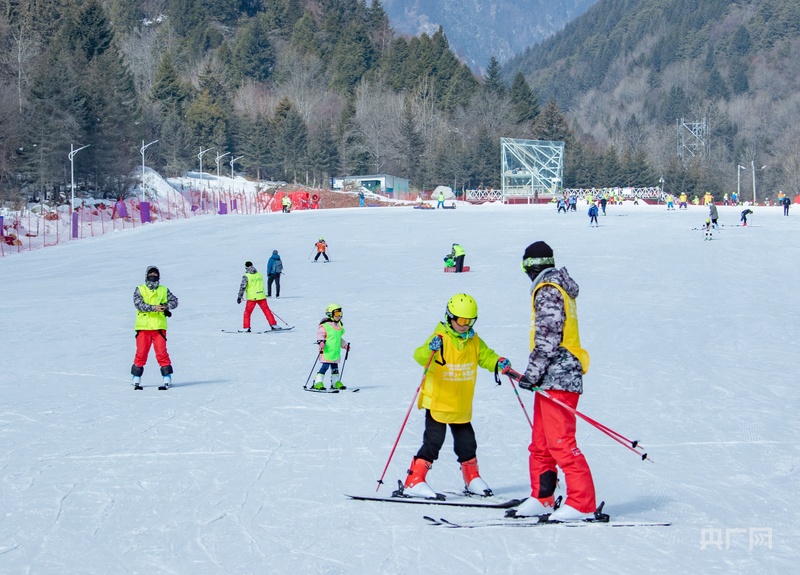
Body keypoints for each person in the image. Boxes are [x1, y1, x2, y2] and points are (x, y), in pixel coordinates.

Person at [509, 242, 596, 521]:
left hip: (560, 376)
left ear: (529, 266)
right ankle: (542, 497)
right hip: (550, 378)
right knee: (541, 443)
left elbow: (548, 338)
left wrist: (532, 373)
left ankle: (582, 503)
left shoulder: (548, 289)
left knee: (560, 442)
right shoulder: (555, 286)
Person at [399, 293, 509, 499]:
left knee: (467, 442)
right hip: (438, 400)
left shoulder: (473, 340)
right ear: (450, 317)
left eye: (470, 321)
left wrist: (497, 362)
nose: (465, 325)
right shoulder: (440, 338)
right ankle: (414, 481)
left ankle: (472, 478)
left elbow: (486, 356)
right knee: (433, 441)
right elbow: (419, 356)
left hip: (460, 402)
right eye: (461, 320)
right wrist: (429, 349)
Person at [131, 266, 179, 388]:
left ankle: (167, 377)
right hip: (143, 327)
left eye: (155, 274)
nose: (153, 276)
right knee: (141, 353)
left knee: (161, 352)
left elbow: (175, 301)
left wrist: (165, 306)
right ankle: (136, 377)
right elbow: (138, 304)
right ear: (147, 275)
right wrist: (154, 308)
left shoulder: (163, 290)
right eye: (151, 274)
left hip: (159, 328)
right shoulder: (140, 289)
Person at [313, 304, 349, 390]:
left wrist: (345, 345)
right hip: (327, 351)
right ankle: (318, 382)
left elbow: (338, 339)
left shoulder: (338, 326)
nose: (339, 316)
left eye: (340, 313)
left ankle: (335, 382)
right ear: (330, 314)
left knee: (335, 368)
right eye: (336, 313)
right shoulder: (325, 326)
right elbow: (320, 335)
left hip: (335, 352)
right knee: (325, 366)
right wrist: (321, 342)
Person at [237, 262, 280, 331]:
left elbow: (243, 287)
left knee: (247, 312)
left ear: (246, 267)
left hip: (252, 297)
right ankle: (274, 325)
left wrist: (239, 297)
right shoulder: (259, 274)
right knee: (266, 310)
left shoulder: (246, 276)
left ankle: (246, 327)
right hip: (261, 296)